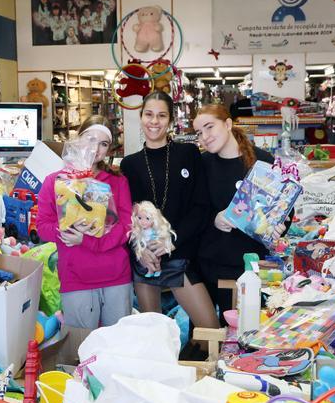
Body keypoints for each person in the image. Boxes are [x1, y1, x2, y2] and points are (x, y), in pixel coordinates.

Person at [120, 91, 219, 331]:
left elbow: (201, 208)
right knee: (153, 337)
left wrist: (170, 242)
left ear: (171, 120)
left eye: (161, 116)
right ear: (141, 117)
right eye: (149, 114)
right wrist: (140, 251)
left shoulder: (188, 154)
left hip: (180, 253)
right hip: (146, 259)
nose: (154, 122)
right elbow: (127, 217)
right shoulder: (129, 164)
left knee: (212, 330)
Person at [37, 115, 133, 359]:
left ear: (109, 150)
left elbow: (125, 227)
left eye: (103, 143)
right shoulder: (55, 182)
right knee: (80, 352)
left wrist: (88, 240)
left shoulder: (116, 182)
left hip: (116, 276)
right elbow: (42, 226)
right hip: (76, 277)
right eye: (90, 138)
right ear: (77, 139)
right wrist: (64, 230)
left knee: (118, 350)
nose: (95, 147)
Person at [193, 104, 285, 313]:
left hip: (249, 266)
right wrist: (213, 220)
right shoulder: (201, 163)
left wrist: (280, 225)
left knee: (245, 330)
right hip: (209, 264)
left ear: (227, 124)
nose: (204, 137)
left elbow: (283, 208)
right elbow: (192, 211)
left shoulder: (263, 161)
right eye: (199, 132)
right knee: (206, 338)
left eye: (209, 127)